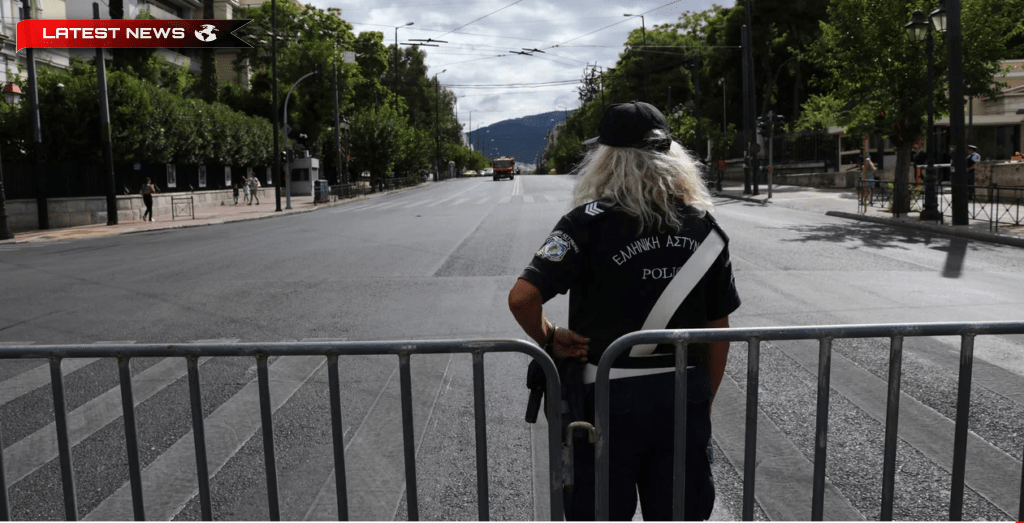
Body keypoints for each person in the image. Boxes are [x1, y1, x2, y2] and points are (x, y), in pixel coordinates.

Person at [508, 101, 740, 521]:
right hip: (681, 398)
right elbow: (717, 330)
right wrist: (702, 400)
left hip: (604, 403)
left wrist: (549, 337)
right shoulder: (704, 228)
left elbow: (523, 298)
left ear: (606, 161)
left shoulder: (585, 225)